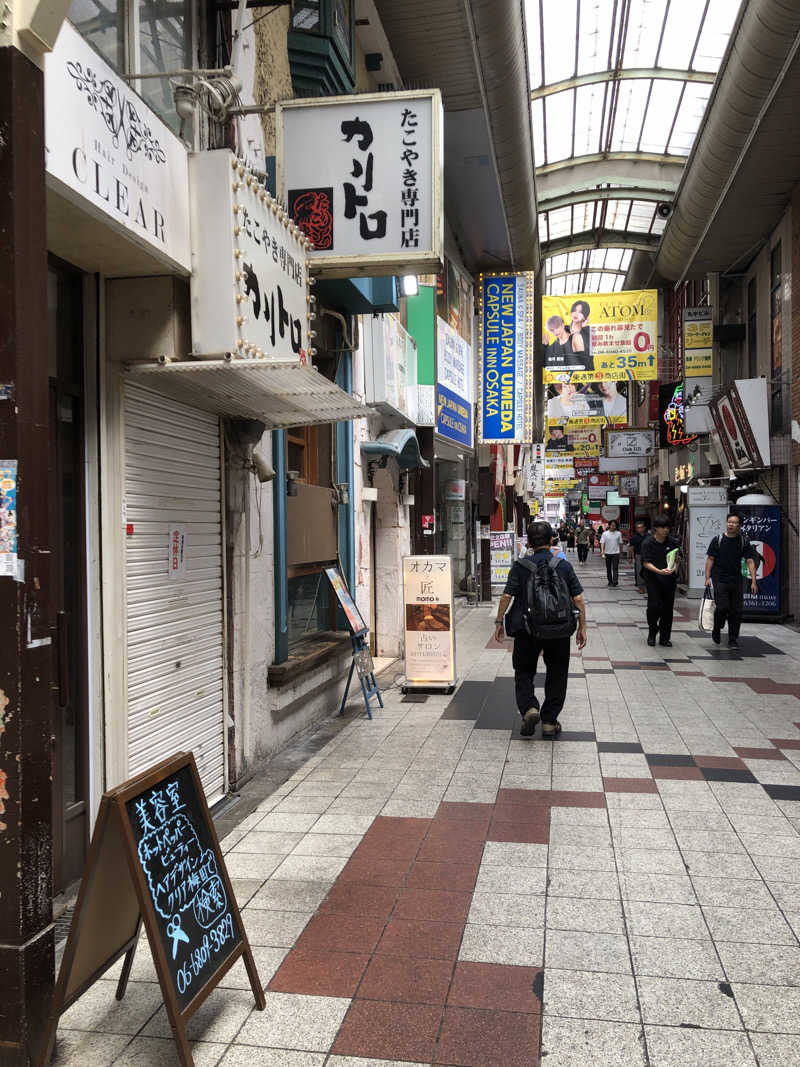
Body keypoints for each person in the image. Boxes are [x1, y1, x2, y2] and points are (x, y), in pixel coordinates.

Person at [495, 521, 587, 738]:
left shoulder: (521, 566)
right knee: (557, 673)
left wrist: (499, 622)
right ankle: (549, 721)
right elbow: (578, 598)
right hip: (559, 630)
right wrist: (583, 626)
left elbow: (507, 595)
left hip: (527, 628)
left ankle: (529, 708)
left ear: (529, 542)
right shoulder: (563, 566)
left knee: (524, 671)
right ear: (551, 540)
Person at [705, 511, 758, 649]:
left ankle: (733, 639)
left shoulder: (743, 542)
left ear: (739, 525)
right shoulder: (718, 540)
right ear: (726, 523)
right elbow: (710, 559)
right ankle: (717, 627)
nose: (731, 525)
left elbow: (750, 561)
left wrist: (753, 581)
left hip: (736, 579)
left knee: (736, 611)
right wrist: (707, 578)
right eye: (730, 522)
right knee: (722, 607)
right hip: (719, 579)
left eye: (735, 523)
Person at [641, 514, 681, 647]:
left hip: (669, 580)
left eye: (667, 527)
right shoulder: (648, 543)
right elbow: (646, 563)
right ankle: (653, 631)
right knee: (654, 607)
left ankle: (664, 637)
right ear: (656, 528)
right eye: (662, 527)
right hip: (653, 579)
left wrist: (676, 565)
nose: (665, 530)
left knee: (667, 610)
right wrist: (659, 571)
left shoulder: (673, 542)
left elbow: (677, 558)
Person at [569, 300, 593, 369]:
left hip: (585, 372)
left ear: (585, 317)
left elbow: (589, 356)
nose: (576, 314)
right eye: (574, 310)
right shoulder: (564, 329)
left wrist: (584, 329)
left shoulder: (589, 331)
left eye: (580, 312)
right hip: (568, 372)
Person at [600, 519, 623, 586]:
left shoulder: (619, 533)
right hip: (607, 553)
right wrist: (602, 551)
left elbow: (620, 543)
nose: (613, 526)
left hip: (616, 553)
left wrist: (620, 552)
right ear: (609, 525)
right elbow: (602, 543)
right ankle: (610, 581)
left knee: (615, 568)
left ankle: (615, 581)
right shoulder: (605, 533)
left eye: (615, 525)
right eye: (612, 525)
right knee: (608, 568)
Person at [629, 518, 649, 593]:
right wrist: (630, 557)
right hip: (639, 556)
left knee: (648, 571)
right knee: (639, 571)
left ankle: (648, 586)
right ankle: (641, 587)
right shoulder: (634, 537)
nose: (639, 529)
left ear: (644, 527)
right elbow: (631, 548)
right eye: (638, 528)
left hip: (648, 556)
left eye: (641, 527)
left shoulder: (649, 536)